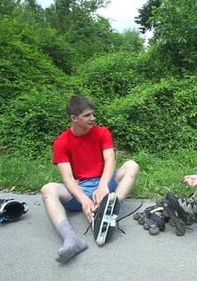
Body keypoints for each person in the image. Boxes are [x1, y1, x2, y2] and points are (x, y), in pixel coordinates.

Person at [41, 95, 139, 263]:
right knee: (48, 189)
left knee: (131, 165)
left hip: (105, 182)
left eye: (92, 114)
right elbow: (68, 178)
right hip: (81, 188)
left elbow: (110, 160)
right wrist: (84, 200)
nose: (92, 118)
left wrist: (103, 186)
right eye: (87, 115)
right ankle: (71, 239)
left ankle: (111, 209)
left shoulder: (102, 132)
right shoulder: (61, 142)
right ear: (74, 118)